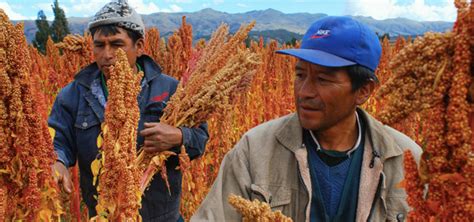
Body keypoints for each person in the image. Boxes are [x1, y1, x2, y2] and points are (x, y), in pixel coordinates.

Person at [191, 16, 422, 222]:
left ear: (363, 90)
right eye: (300, 75)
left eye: (323, 80)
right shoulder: (255, 150)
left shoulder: (406, 160)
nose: (304, 91)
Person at [48, 1, 208, 221]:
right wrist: (58, 161)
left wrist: (180, 137)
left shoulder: (170, 89)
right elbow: (59, 141)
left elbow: (201, 139)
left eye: (116, 44)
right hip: (104, 215)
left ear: (139, 46)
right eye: (99, 45)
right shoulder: (72, 95)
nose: (106, 54)